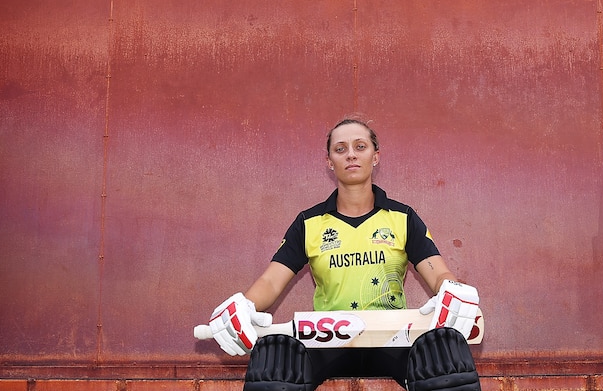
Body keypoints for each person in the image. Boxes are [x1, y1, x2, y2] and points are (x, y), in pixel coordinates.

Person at [206, 116, 481, 391]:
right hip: (327, 341)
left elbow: (438, 273)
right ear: (329, 161)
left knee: (444, 354)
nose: (351, 154)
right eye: (340, 149)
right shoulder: (309, 223)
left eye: (360, 146)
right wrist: (245, 304)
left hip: (394, 338)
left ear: (375, 157)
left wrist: (451, 290)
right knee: (275, 360)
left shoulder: (401, 217)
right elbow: (270, 282)